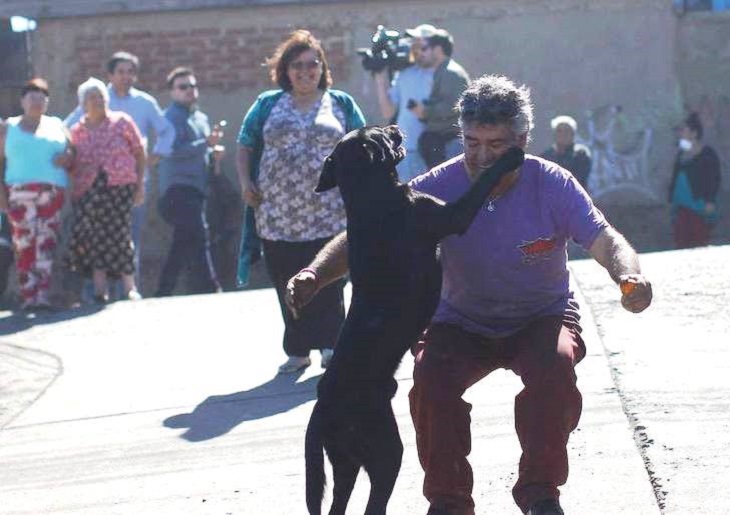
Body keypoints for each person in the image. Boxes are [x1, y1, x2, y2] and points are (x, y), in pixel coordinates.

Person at [285, 74, 653, 515]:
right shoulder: (439, 183)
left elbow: (605, 239)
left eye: (495, 146)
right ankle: (449, 499)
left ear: (522, 139)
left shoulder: (551, 183)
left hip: (539, 317)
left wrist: (629, 276)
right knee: (430, 383)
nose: (481, 156)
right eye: (471, 142)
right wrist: (312, 273)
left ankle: (540, 492)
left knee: (554, 370)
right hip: (458, 321)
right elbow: (364, 234)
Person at [236, 29, 366, 374]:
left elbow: (363, 143)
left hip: (329, 213)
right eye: (298, 65)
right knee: (285, 280)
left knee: (329, 280)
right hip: (277, 214)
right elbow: (245, 143)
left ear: (322, 67)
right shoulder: (267, 104)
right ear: (285, 70)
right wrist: (246, 181)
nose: (306, 71)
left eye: (313, 64)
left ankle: (332, 344)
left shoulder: (339, 103)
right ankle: (297, 348)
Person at [65, 51, 174, 289]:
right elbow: (68, 127)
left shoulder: (144, 103)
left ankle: (127, 292)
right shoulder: (97, 97)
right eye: (121, 72)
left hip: (131, 182)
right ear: (110, 75)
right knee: (95, 238)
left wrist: (158, 153)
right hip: (93, 186)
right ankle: (98, 291)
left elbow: (166, 130)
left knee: (128, 236)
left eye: (131, 72)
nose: (126, 77)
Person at [65, 77, 146, 303]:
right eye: (92, 97)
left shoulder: (122, 122)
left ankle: (129, 287)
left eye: (101, 96)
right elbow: (72, 161)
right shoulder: (76, 131)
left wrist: (140, 185)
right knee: (94, 237)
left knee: (120, 233)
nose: (98, 101)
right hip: (88, 190)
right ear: (83, 104)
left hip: (119, 186)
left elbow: (139, 153)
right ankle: (100, 289)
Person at [0, 78, 72, 310]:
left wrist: (68, 156)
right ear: (22, 101)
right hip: (19, 192)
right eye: (31, 97)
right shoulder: (7, 128)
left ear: (47, 102)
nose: (36, 102)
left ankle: (42, 296)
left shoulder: (57, 125)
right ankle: (28, 295)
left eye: (41, 98)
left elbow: (72, 150)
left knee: (46, 242)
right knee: (24, 244)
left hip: (51, 192)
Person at [155, 67, 222, 297]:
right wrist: (206, 143)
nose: (189, 91)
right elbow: (171, 151)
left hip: (196, 188)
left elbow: (204, 150)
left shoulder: (200, 118)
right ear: (172, 92)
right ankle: (213, 287)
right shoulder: (169, 118)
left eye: (192, 86)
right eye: (183, 87)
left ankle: (163, 291)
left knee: (184, 240)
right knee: (199, 234)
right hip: (177, 189)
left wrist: (214, 154)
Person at [372, 23, 436, 182]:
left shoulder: (442, 74)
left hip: (431, 152)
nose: (416, 51)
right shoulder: (405, 74)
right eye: (415, 46)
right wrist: (380, 73)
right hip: (406, 152)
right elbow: (388, 111)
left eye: (422, 46)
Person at [407, 28, 470, 169]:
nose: (422, 53)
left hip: (450, 142)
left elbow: (454, 105)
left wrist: (425, 112)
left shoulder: (450, 73)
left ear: (438, 49)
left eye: (426, 48)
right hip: (443, 141)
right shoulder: (443, 71)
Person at [668, 111, 721, 249]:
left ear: (694, 133)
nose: (680, 133)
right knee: (681, 241)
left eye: (683, 130)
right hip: (681, 207)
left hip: (698, 206)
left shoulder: (707, 154)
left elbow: (714, 179)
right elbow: (676, 176)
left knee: (699, 241)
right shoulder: (682, 154)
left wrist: (710, 201)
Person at [541, 115, 592, 190]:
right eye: (559, 131)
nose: (563, 134)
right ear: (554, 134)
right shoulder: (546, 156)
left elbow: (579, 179)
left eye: (567, 131)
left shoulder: (581, 153)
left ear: (573, 134)